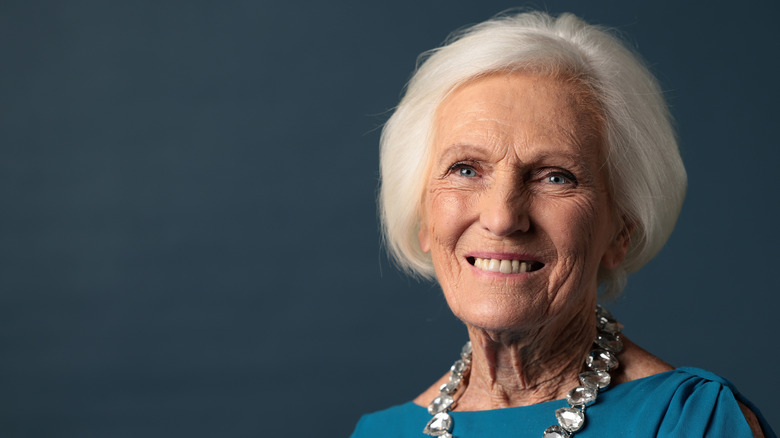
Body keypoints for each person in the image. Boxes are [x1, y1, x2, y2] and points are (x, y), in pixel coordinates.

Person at [351, 10, 775, 438]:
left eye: (556, 176)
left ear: (621, 228)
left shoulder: (693, 422)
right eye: (465, 169)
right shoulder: (378, 433)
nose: (501, 218)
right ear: (423, 216)